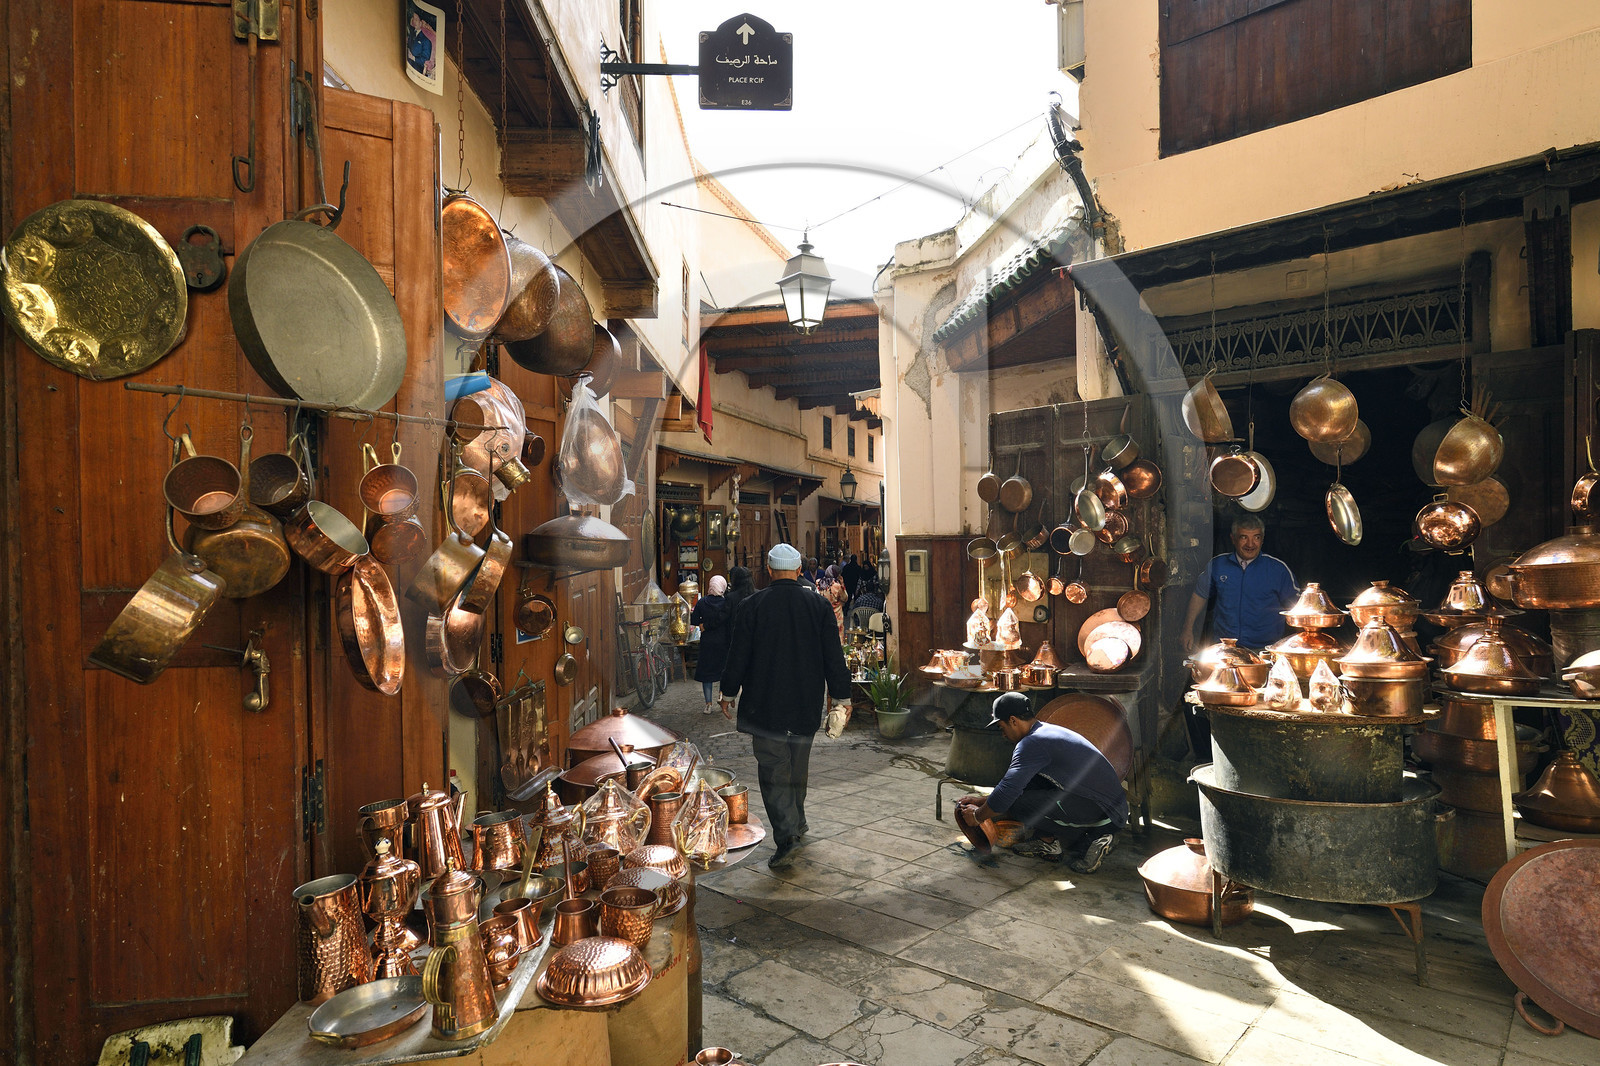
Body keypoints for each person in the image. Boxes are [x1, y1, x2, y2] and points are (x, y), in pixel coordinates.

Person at [721, 543, 851, 869]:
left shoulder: (752, 606)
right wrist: (843, 697)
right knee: (797, 765)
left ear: (768, 570)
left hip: (766, 705)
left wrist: (727, 692)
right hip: (805, 703)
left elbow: (738, 655)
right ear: (796, 571)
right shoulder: (818, 606)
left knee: (774, 769)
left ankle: (788, 836)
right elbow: (833, 657)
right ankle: (797, 822)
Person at [955, 693, 1128, 873]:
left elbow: (1008, 793)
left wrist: (977, 817)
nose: (1003, 734)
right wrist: (981, 801)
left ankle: (1097, 836)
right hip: (1109, 806)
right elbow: (1015, 785)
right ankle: (1047, 841)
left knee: (1017, 805)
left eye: (1001, 727)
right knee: (1030, 782)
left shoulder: (1032, 743)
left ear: (1013, 721)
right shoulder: (1045, 731)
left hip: (1107, 814)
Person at [1181, 514, 1297, 654]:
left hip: (1266, 651)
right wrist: (1187, 630)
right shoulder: (1218, 565)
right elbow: (1199, 595)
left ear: (1262, 540)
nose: (1250, 544)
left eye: (1256, 537)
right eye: (1244, 537)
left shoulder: (1278, 569)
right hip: (1224, 649)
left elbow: (1297, 608)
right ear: (1233, 539)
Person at [690, 575, 733, 716]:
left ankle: (708, 704)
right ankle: (721, 697)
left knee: (707, 674)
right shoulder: (726, 602)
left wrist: (703, 623)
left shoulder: (702, 602)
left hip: (707, 642)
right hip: (723, 642)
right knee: (723, 672)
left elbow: (694, 620)